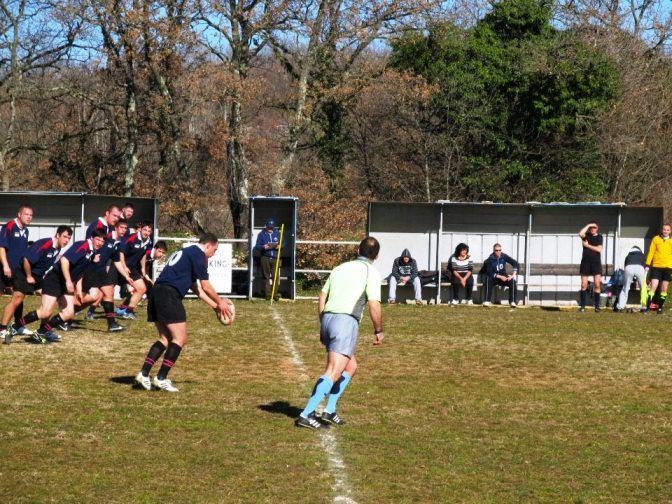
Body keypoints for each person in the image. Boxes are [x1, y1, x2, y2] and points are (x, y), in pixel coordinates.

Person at [296, 237, 384, 429]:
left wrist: (323, 322)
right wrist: (378, 330)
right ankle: (306, 414)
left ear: (357, 250)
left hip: (327, 318)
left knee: (350, 366)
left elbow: (322, 295)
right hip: (345, 322)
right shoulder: (372, 272)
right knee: (333, 371)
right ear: (377, 255)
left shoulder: (340, 268)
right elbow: (374, 304)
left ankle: (329, 410)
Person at [134, 233, 234, 393]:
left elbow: (198, 291)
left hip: (156, 293)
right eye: (214, 250)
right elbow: (206, 286)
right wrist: (221, 302)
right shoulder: (198, 255)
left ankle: (144, 374)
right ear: (208, 245)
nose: (213, 254)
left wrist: (215, 306)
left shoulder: (186, 254)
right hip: (168, 295)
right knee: (180, 338)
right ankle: (160, 378)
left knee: (165, 338)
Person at [11, 229, 107, 343]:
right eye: (97, 239)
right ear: (92, 238)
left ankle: (42, 332)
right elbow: (64, 260)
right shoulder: (83, 245)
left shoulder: (92, 252)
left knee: (68, 313)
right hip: (55, 280)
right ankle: (15, 327)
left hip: (66, 283)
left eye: (102, 241)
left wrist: (79, 289)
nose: (99, 243)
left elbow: (80, 271)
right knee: (45, 312)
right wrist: (68, 281)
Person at [1, 226, 73, 344]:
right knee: (17, 299)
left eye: (69, 238)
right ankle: (3, 328)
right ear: (58, 235)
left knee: (49, 300)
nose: (66, 240)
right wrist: (29, 276)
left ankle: (43, 330)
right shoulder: (46, 243)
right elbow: (26, 259)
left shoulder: (57, 248)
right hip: (24, 273)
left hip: (37, 277)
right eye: (65, 237)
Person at [81, 219, 135, 332]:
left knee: (109, 292)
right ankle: (66, 317)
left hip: (101, 271)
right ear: (115, 227)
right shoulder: (106, 237)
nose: (124, 230)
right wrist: (91, 259)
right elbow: (90, 248)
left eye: (126, 228)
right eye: (122, 227)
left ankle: (112, 324)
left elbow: (117, 261)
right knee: (84, 298)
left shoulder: (118, 242)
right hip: (91, 269)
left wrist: (126, 276)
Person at [0, 204, 34, 336]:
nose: (29, 217)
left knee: (19, 296)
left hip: (17, 271)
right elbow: (1, 247)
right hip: (3, 268)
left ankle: (18, 325)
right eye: (26, 214)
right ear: (19, 215)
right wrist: (5, 265)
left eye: (31, 215)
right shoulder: (9, 226)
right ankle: (2, 328)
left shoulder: (26, 231)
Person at [109, 220, 154, 320]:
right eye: (145, 230)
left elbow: (143, 255)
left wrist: (142, 268)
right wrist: (124, 266)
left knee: (142, 289)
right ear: (140, 229)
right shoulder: (131, 238)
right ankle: (92, 312)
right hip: (118, 266)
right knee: (108, 291)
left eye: (149, 231)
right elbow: (121, 253)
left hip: (132, 269)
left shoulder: (149, 241)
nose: (146, 232)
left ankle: (128, 311)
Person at [644, 223, 672, 313]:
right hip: (656, 267)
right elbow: (651, 252)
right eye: (664, 229)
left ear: (670, 231)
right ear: (662, 230)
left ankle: (659, 308)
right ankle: (647, 308)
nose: (666, 231)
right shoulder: (656, 239)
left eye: (668, 230)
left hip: (668, 267)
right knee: (653, 287)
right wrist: (647, 265)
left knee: (664, 288)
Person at [578, 222, 604, 312]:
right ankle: (582, 307)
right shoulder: (586, 236)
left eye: (594, 227)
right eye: (591, 228)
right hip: (585, 263)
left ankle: (597, 307)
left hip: (596, 263)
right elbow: (580, 233)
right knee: (583, 285)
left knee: (597, 284)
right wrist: (588, 225)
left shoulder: (599, 237)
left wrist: (587, 245)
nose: (593, 229)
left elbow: (599, 249)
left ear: (597, 228)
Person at [614, 245, 648, 313]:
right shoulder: (642, 255)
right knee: (643, 288)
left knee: (625, 288)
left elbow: (625, 266)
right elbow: (645, 267)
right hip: (640, 268)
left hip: (628, 268)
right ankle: (644, 307)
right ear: (639, 250)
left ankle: (620, 307)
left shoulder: (628, 256)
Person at [255, 218, 281, 300]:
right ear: (266, 227)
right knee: (266, 277)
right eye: (269, 227)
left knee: (275, 277)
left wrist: (280, 246)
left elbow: (283, 243)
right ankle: (268, 295)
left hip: (275, 258)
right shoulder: (261, 234)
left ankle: (275, 294)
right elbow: (257, 246)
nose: (270, 229)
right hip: (265, 258)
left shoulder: (278, 233)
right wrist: (263, 247)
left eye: (272, 227)